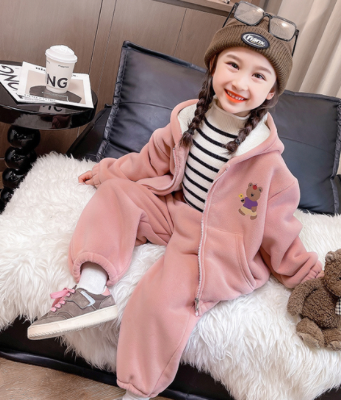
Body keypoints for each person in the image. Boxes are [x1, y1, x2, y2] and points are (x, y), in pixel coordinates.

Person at [28, 3, 322, 399]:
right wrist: (107, 172)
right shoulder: (186, 119)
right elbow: (148, 163)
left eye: (258, 75)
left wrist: (307, 276)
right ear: (213, 66)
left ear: (270, 92)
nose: (241, 82)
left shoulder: (269, 165)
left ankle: (138, 391)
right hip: (174, 210)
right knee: (118, 194)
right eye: (233, 65)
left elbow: (279, 230)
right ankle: (92, 290)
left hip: (213, 243)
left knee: (161, 296)